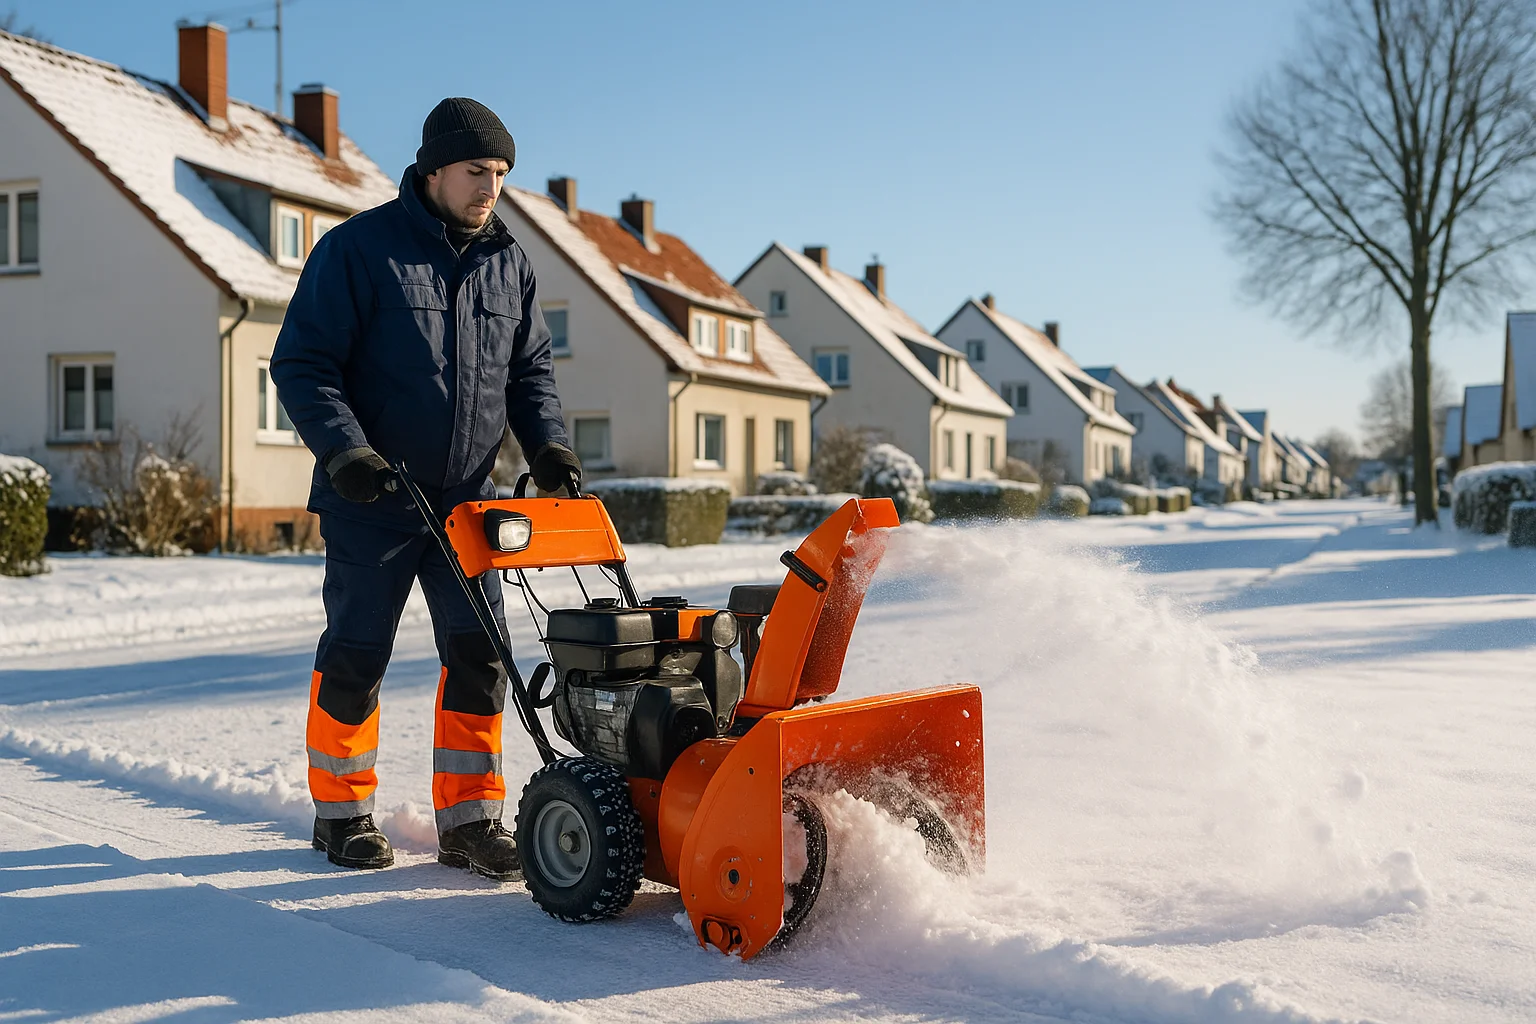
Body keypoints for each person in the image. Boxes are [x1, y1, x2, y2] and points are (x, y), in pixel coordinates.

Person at [271, 97, 581, 876]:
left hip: (468, 506)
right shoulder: (359, 250)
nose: (491, 188)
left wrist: (549, 446)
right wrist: (346, 452)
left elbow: (530, 373)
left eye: (501, 173)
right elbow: (304, 363)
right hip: (372, 501)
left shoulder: (509, 263)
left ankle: (471, 821)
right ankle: (342, 816)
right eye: (477, 171)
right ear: (434, 170)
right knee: (356, 655)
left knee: (481, 655)